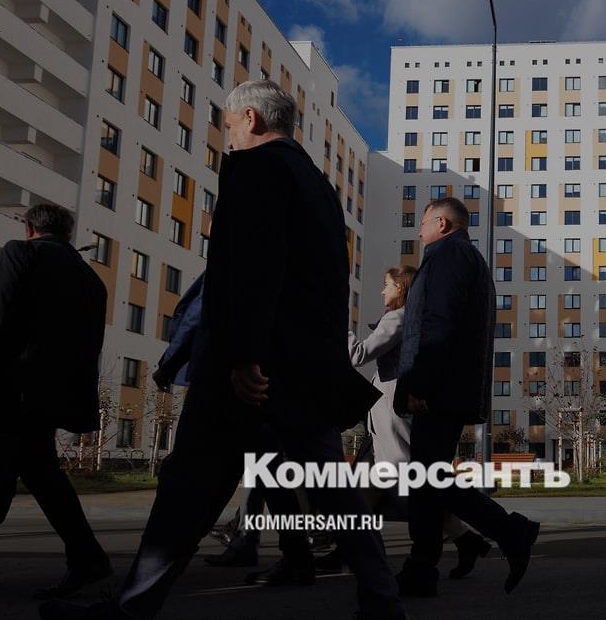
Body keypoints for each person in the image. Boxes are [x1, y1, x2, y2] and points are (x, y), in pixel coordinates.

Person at [40, 80, 404, 619]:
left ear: (250, 119)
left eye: (228, 126)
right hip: (303, 369)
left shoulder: (255, 168)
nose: (227, 138)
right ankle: (382, 601)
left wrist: (242, 354)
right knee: (330, 488)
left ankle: (131, 608)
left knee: (188, 485)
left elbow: (252, 270)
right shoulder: (317, 183)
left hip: (252, 369)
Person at [0, 204, 111, 599]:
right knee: (12, 468)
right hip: (54, 394)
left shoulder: (21, 253)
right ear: (68, 234)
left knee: (38, 473)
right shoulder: (90, 279)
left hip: (12, 388)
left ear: (29, 227)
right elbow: (90, 345)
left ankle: (88, 558)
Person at [393, 197, 540, 597]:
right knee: (427, 480)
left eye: (423, 222)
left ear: (442, 224)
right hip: (449, 386)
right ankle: (422, 567)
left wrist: (420, 383)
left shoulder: (448, 257)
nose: (418, 231)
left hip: (439, 388)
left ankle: (509, 530)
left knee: (428, 477)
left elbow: (437, 324)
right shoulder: (464, 258)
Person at [319, 265, 491, 579]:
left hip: (390, 420)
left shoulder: (397, 318)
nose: (382, 291)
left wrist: (338, 323)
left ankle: (466, 539)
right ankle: (345, 550)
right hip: (383, 422)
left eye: (387, 285)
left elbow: (358, 354)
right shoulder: (406, 319)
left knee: (410, 492)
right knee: (365, 492)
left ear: (400, 288)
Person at [151, 272, 314, 585]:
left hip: (226, 374)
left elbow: (202, 311)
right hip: (260, 372)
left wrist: (170, 362)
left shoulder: (236, 252)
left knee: (193, 471)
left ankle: (161, 566)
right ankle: (288, 552)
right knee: (263, 467)